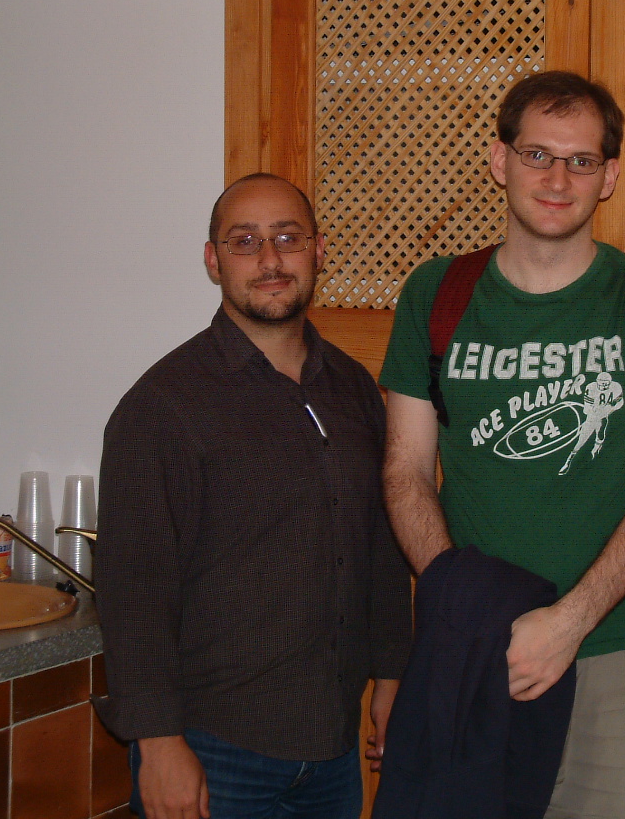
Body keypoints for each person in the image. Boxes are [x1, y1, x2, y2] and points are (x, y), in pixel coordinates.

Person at [379, 71, 625, 819]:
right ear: (500, 161)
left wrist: (568, 622)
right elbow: (405, 472)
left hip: (617, 650)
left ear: (609, 176)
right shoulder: (435, 294)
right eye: (537, 155)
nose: (557, 180)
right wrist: (469, 608)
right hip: (472, 648)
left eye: (581, 161)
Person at [95, 174, 412, 819]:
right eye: (244, 241)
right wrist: (158, 744)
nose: (270, 260)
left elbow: (379, 548)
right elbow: (133, 591)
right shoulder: (163, 406)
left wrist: (391, 674)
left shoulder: (353, 390)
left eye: (288, 238)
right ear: (214, 261)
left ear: (318, 250)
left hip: (331, 753)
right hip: (212, 752)